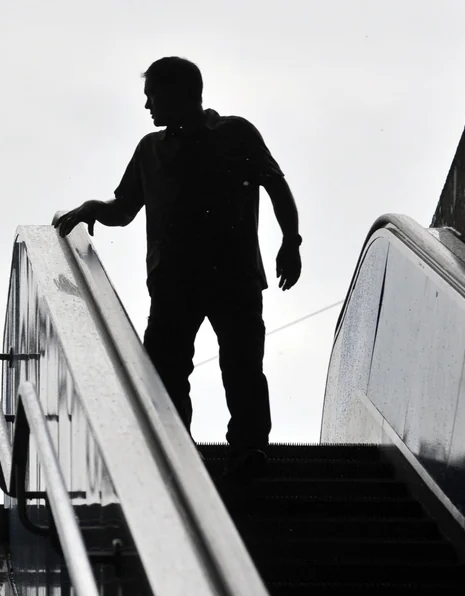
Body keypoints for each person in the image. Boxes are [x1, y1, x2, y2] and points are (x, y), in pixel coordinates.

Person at [52, 57, 302, 478]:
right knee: (166, 373)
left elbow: (275, 183)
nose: (147, 105)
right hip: (174, 284)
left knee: (241, 367)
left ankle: (248, 451)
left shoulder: (236, 133)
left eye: (152, 96)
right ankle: (179, 452)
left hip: (233, 278)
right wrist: (93, 207)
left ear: (178, 94)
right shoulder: (150, 149)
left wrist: (291, 241)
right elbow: (125, 208)